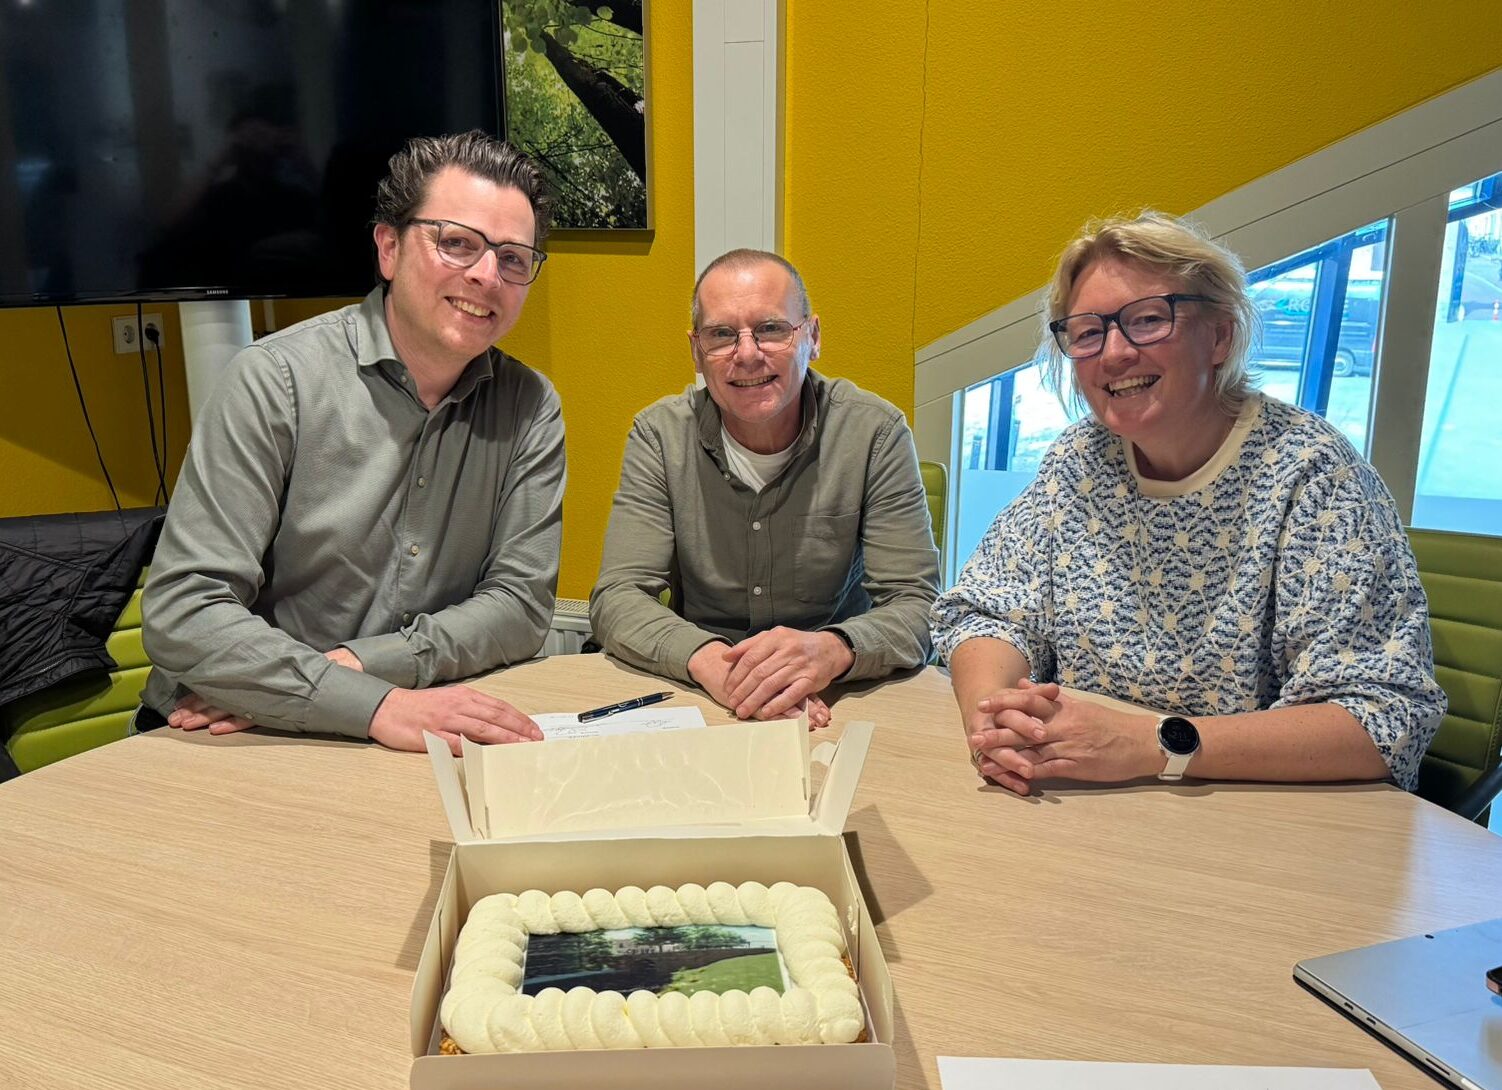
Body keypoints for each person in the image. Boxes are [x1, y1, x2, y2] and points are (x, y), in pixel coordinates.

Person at [932, 211, 1445, 796]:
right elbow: (987, 610)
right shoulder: (1078, 460)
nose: (1115, 352)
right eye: (1087, 331)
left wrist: (1149, 744)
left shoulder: (1312, 475)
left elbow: (1381, 720)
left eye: (1148, 320)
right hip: (1093, 804)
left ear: (1220, 336)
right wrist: (998, 719)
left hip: (1257, 819)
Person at [141, 132, 565, 756]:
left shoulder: (530, 407)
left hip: (398, 727)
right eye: (457, 243)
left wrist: (355, 673)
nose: (485, 274)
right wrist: (370, 702)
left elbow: (519, 605)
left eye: (513, 257)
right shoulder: (274, 381)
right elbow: (185, 610)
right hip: (230, 738)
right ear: (389, 247)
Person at [590, 249, 939, 725]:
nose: (747, 353)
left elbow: (917, 606)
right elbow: (618, 597)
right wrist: (723, 669)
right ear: (697, 351)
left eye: (772, 328)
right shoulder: (659, 436)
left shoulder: (874, 433)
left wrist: (832, 651)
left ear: (811, 337)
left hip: (836, 697)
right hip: (704, 692)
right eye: (721, 335)